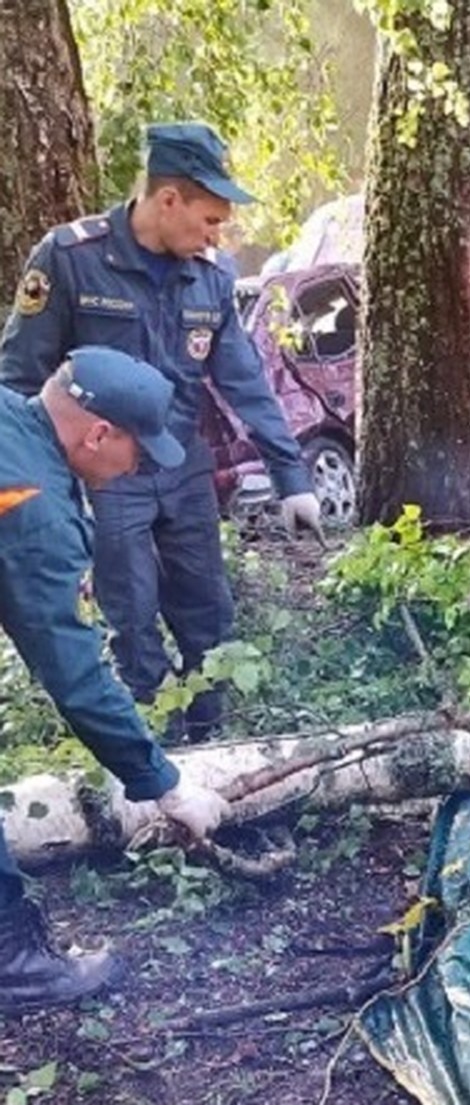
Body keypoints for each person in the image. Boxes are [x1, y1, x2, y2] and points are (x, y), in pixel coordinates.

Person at [0, 122, 323, 745]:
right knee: (133, 628)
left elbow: (245, 382)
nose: (216, 234)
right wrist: (37, 497)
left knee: (210, 619)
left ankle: (215, 749)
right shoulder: (70, 260)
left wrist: (291, 478)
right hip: (107, 479)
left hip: (182, 471)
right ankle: (154, 763)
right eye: (209, 219)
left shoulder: (210, 278)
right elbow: (18, 380)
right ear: (167, 199)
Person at [0, 346, 231, 1014]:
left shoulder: (15, 425)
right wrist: (164, 781)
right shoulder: (33, 505)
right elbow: (72, 673)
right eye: (137, 451)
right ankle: (14, 963)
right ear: (98, 433)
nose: (136, 469)